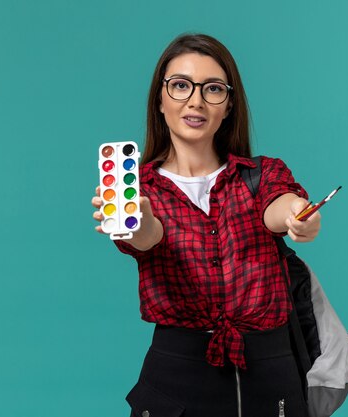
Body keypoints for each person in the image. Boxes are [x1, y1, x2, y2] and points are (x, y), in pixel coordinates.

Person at [91, 33, 322, 417]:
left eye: (212, 88)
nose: (195, 100)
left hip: (270, 374)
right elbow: (147, 238)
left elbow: (276, 207)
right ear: (160, 99)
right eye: (180, 86)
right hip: (177, 378)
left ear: (229, 104)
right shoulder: (142, 189)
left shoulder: (262, 174)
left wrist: (298, 214)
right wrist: (137, 224)